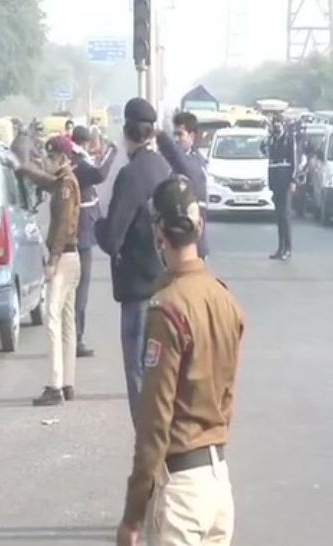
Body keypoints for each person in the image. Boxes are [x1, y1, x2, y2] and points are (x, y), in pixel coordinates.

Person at [116, 176, 244, 546]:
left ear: (159, 232)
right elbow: (227, 399)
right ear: (199, 224)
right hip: (219, 484)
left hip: (182, 490)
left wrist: (133, 515)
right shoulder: (225, 300)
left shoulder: (168, 308)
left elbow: (155, 422)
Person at [94, 98, 171, 424]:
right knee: (161, 372)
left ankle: (147, 448)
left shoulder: (131, 174)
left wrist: (96, 221)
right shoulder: (162, 167)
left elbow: (113, 239)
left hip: (139, 290)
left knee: (138, 371)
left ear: (127, 133)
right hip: (166, 284)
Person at [11, 136, 81, 406]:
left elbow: (62, 225)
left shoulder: (66, 186)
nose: (48, 162)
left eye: (51, 158)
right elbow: (45, 182)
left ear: (62, 159)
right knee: (67, 322)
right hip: (70, 257)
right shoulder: (64, 181)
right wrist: (26, 169)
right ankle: (68, 382)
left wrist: (52, 261)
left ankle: (54, 386)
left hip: (63, 258)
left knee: (52, 320)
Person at [71, 125, 118, 357]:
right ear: (88, 142)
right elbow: (100, 174)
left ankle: (74, 335)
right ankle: (76, 337)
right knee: (81, 289)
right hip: (82, 235)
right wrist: (112, 151)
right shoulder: (79, 163)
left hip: (80, 233)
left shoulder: (77, 160)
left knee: (78, 288)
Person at [156, 112, 210, 258]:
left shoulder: (195, 162)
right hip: (173, 241)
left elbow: (181, 162)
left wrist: (161, 136)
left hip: (192, 244)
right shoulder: (173, 163)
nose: (176, 139)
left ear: (192, 137)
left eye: (180, 134)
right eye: (174, 134)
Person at [261, 116, 297, 260]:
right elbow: (263, 150)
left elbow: (295, 160)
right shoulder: (272, 139)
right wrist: (267, 136)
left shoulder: (289, 140)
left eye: (279, 123)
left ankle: (287, 249)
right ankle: (280, 248)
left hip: (286, 181)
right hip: (275, 181)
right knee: (279, 217)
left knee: (285, 216)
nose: (277, 126)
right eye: (274, 123)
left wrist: (293, 180)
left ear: (283, 124)